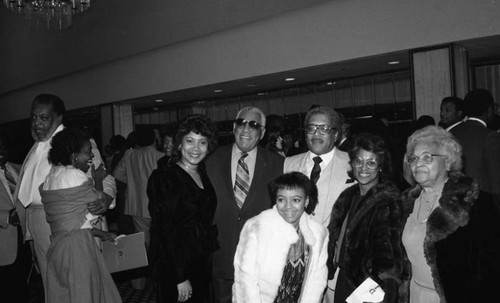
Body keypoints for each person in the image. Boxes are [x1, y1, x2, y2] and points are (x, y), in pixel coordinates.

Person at [14, 94, 116, 293]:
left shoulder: (76, 142)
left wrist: (107, 199)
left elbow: (105, 177)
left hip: (66, 222)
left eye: (44, 118)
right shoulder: (36, 145)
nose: (37, 123)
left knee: (76, 284)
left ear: (58, 118)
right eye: (34, 117)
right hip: (36, 220)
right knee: (51, 282)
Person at [401, 126, 500, 303]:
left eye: (427, 157)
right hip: (415, 295)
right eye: (413, 159)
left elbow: (490, 269)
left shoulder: (473, 202)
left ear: (447, 163)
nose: (418, 164)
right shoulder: (405, 203)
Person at [205, 106, 284, 303]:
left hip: (260, 261)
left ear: (263, 132)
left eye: (254, 125)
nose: (246, 129)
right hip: (221, 257)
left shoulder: (278, 164)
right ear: (234, 127)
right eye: (241, 123)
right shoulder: (210, 161)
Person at [40, 128, 121, 303]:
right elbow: (100, 204)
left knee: (65, 295)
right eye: (87, 153)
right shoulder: (75, 175)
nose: (91, 157)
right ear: (74, 155)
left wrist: (104, 234)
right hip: (78, 249)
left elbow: (73, 224)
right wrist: (99, 179)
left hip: (57, 247)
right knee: (85, 294)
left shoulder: (49, 178)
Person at [147, 114, 219, 303]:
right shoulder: (164, 178)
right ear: (179, 144)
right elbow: (165, 229)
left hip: (200, 259)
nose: (196, 148)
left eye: (202, 142)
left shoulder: (202, 172)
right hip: (176, 264)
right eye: (190, 141)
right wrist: (180, 276)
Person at [283, 106, 352, 301]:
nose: (316, 134)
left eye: (324, 128)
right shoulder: (289, 163)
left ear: (336, 134)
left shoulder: (352, 164)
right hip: (295, 259)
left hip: (335, 265)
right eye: (311, 128)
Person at [327, 133, 404, 303]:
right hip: (344, 277)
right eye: (358, 161)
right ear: (352, 164)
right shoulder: (348, 196)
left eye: (371, 162)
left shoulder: (387, 200)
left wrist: (387, 288)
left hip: (369, 284)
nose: (363, 168)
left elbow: (390, 249)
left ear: (381, 166)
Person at [233, 172, 328, 303]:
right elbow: (246, 278)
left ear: (306, 201)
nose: (288, 206)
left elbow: (317, 280)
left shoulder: (318, 233)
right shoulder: (257, 227)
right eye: (281, 200)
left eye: (296, 200)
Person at [113, 128, 164, 289]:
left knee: (141, 244)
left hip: (136, 205)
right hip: (158, 205)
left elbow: (116, 174)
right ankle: (161, 279)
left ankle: (139, 283)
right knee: (161, 242)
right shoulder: (160, 156)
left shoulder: (130, 154)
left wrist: (133, 185)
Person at [450, 89, 500, 195]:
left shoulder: (451, 132)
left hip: (454, 200)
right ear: (490, 109)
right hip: (482, 201)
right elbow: (496, 179)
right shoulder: (490, 136)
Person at [0, 132, 31, 303]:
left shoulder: (20, 168)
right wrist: (6, 217)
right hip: (3, 245)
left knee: (22, 289)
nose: (0, 150)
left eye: (2, 146)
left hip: (25, 240)